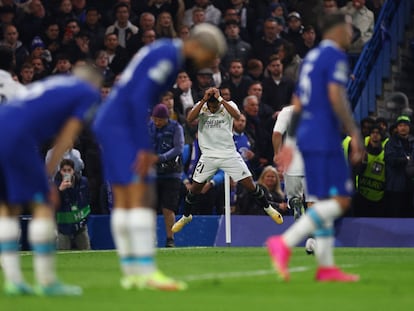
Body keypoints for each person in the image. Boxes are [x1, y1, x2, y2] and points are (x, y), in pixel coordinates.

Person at [93, 23, 227, 291]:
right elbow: (140, 97)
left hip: (114, 120)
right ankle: (145, 271)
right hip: (122, 123)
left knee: (127, 197)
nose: (206, 65)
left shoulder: (164, 50)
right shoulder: (170, 57)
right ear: (200, 47)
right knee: (139, 196)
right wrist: (144, 146)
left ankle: (132, 272)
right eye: (209, 58)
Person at [268, 12, 364, 282]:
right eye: (347, 27)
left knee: (321, 200)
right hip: (324, 135)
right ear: (335, 30)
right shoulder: (335, 56)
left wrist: (291, 141)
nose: (351, 33)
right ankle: (284, 243)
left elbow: (298, 101)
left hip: (308, 136)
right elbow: (336, 96)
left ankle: (325, 266)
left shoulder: (310, 58)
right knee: (340, 200)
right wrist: (354, 132)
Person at [0, 64, 102, 296]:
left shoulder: (54, 84)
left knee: (7, 208)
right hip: (19, 136)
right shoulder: (87, 92)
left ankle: (13, 281)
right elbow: (67, 135)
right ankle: (47, 281)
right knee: (43, 205)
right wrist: (48, 174)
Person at [171, 87, 284, 233]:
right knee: (194, 189)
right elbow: (190, 119)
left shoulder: (227, 105)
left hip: (229, 154)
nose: (212, 109)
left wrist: (221, 99)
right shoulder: (202, 106)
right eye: (210, 106)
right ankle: (186, 216)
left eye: (214, 106)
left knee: (250, 185)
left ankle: (268, 208)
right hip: (208, 156)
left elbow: (237, 115)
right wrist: (204, 100)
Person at [149, 104, 184, 247]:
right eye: (155, 119)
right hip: (152, 174)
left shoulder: (176, 128)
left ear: (166, 118)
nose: (157, 123)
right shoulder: (148, 128)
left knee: (168, 208)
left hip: (171, 173)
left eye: (160, 120)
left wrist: (161, 157)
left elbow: (179, 147)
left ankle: (170, 238)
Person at [55, 159, 91, 250]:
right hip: (63, 227)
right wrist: (60, 191)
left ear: (73, 171)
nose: (67, 173)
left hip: (80, 225)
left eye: (69, 170)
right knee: (63, 255)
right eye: (64, 170)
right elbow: (51, 205)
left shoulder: (83, 182)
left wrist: (84, 219)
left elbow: (86, 200)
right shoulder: (54, 185)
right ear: (60, 171)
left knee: (86, 252)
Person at [384, 115, 414, 218]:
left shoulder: (412, 142)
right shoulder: (391, 143)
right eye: (400, 125)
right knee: (395, 217)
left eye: (405, 125)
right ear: (397, 128)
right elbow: (391, 160)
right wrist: (406, 160)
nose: (403, 127)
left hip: (410, 187)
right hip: (395, 187)